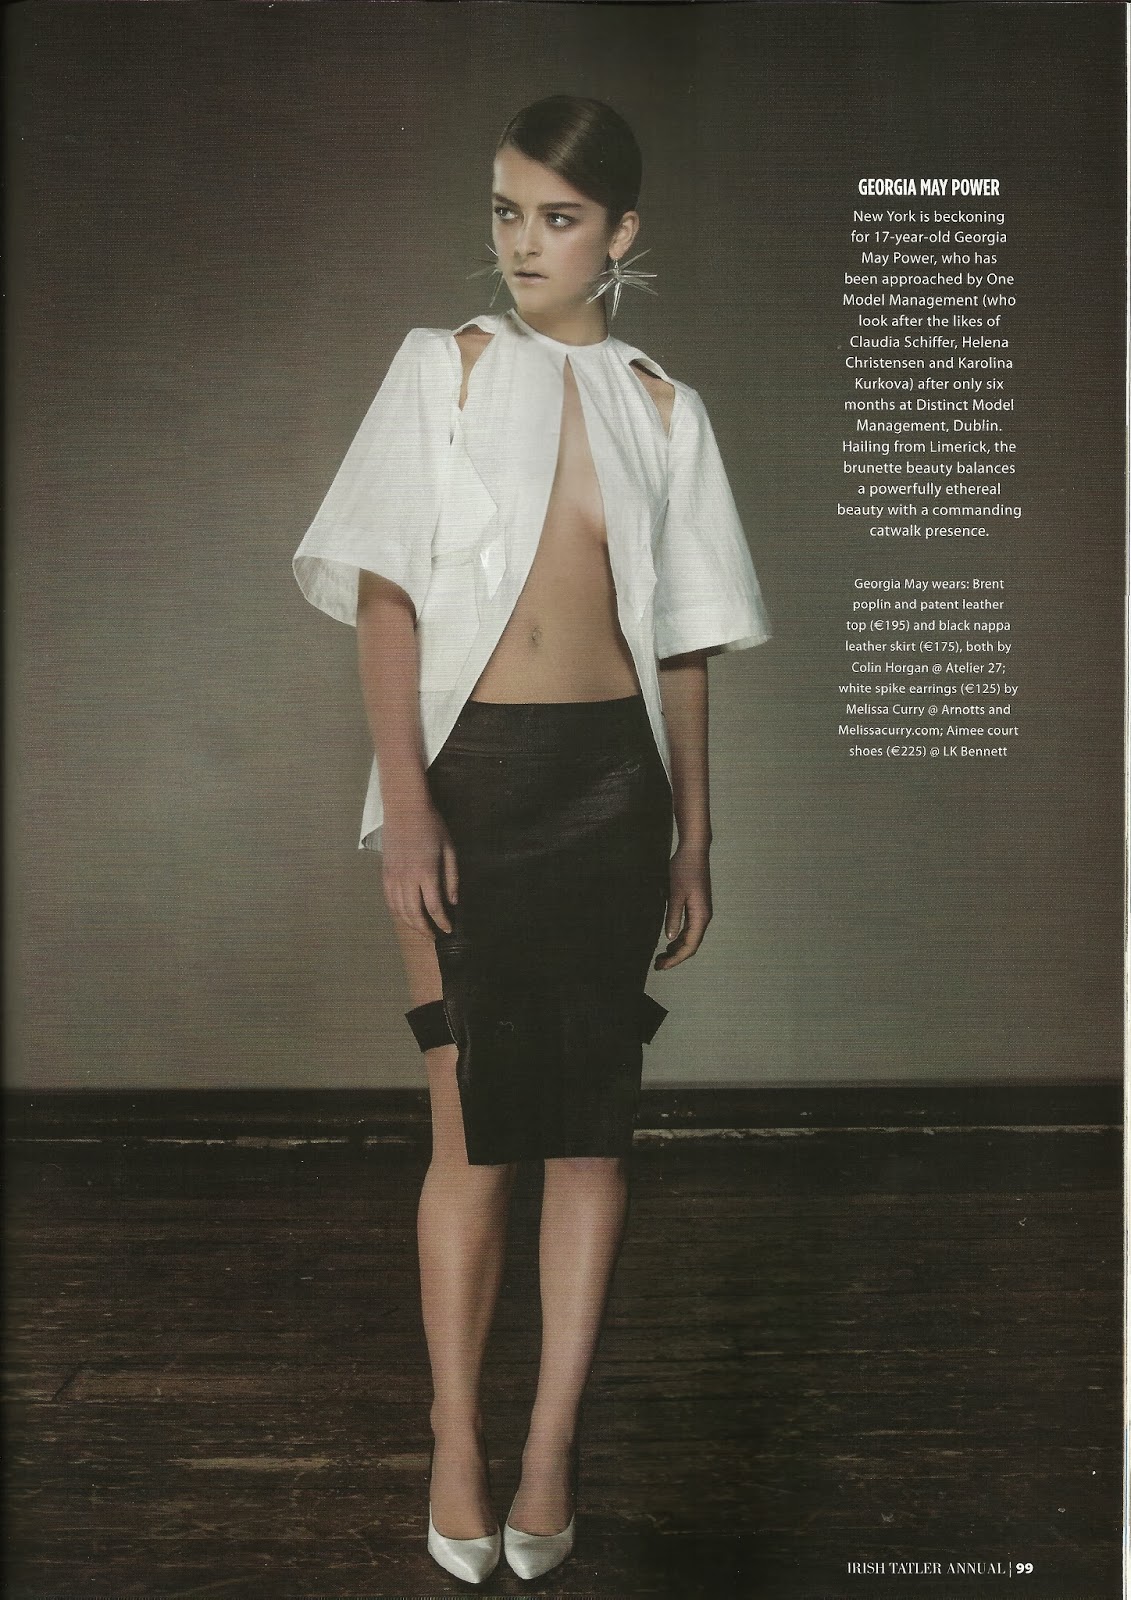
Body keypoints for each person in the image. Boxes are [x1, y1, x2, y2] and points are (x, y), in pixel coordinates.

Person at [292, 94, 771, 1585]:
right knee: (470, 1135)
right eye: (507, 211)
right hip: (469, 779)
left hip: (615, 787)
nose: (523, 243)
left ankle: (552, 1445)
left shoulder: (665, 408)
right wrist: (408, 803)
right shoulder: (441, 368)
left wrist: (694, 838)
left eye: (558, 218)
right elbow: (386, 598)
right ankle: (457, 1436)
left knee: (591, 1138)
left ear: (620, 236)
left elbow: (682, 646)